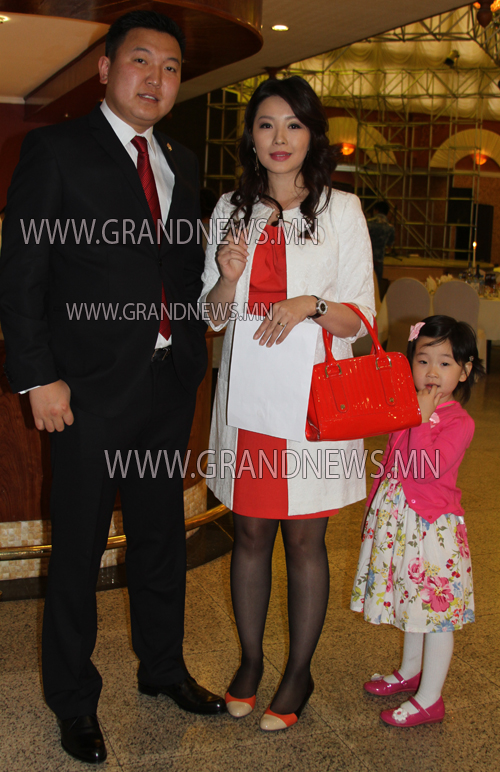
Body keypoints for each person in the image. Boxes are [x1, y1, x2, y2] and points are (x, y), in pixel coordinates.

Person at [0, 10, 225, 765]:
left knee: (162, 540)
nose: (156, 78)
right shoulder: (56, 150)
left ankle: (162, 669)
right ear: (105, 69)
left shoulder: (181, 160)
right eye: (141, 60)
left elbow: (177, 271)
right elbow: (21, 274)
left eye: (171, 67)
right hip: (87, 396)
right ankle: (73, 699)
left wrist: (192, 342)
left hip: (166, 385)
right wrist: (38, 376)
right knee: (79, 551)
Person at [200, 76, 375, 731]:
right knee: (248, 532)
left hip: (311, 405)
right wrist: (227, 278)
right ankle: (250, 662)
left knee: (305, 540)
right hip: (249, 403)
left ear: (312, 135)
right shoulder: (229, 208)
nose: (279, 138)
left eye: (293, 125)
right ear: (251, 136)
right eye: (266, 124)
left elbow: (361, 319)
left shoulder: (342, 210)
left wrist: (311, 305)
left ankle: (298, 672)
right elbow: (211, 317)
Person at [351, 315, 484, 727]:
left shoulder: (459, 422)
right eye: (423, 360)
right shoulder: (407, 409)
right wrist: (373, 510)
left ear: (464, 371)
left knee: (436, 615)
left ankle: (430, 698)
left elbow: (427, 469)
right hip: (399, 523)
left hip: (432, 530)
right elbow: (391, 462)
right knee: (410, 601)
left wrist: (421, 420)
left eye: (445, 363)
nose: (432, 372)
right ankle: (410, 671)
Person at [366, 200, 394, 293]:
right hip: (379, 261)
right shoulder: (390, 227)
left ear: (376, 210)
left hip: (366, 259)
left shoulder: (367, 223)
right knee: (376, 288)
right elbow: (389, 245)